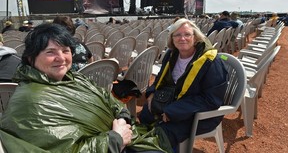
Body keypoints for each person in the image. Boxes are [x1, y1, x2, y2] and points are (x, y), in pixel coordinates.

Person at [0, 23, 172, 153]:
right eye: (50, 52)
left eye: (65, 51)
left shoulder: (73, 78)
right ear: (31, 58)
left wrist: (123, 117)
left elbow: (107, 98)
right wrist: (116, 139)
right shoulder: (30, 102)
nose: (61, 58)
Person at [138, 18, 228, 149]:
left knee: (165, 132)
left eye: (187, 34)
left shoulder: (211, 62)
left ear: (195, 37)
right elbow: (160, 79)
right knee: (146, 114)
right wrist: (152, 93)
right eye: (177, 35)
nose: (182, 38)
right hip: (175, 101)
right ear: (172, 39)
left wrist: (173, 111)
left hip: (199, 113)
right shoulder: (171, 55)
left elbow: (211, 100)